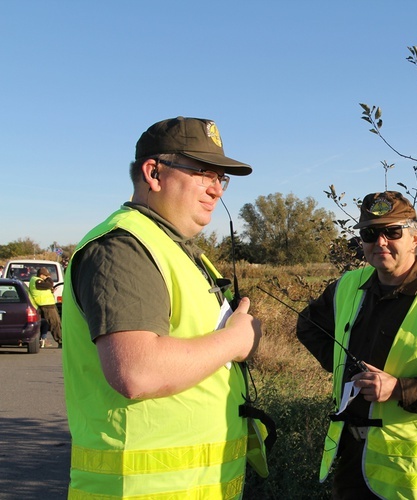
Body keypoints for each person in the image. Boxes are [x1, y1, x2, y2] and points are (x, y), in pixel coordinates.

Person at [62, 116, 267, 499]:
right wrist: (235, 341)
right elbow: (136, 370)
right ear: (153, 173)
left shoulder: (173, 250)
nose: (216, 189)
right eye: (203, 172)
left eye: (221, 177)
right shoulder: (124, 248)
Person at [297, 191, 417, 500]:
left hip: (409, 479)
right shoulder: (348, 286)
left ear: (415, 236)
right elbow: (308, 325)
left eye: (392, 231)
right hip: (350, 463)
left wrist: (397, 389)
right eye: (370, 233)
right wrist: (343, 368)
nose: (380, 242)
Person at [28, 267, 62, 348]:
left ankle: (42, 339)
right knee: (55, 324)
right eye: (45, 276)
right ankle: (61, 341)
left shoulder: (37, 281)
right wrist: (49, 279)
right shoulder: (37, 281)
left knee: (46, 324)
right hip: (46, 305)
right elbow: (49, 284)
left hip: (47, 304)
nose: (47, 277)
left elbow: (46, 288)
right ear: (41, 275)